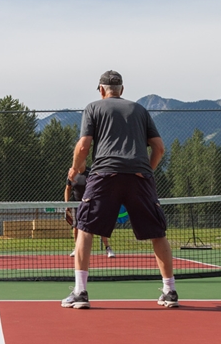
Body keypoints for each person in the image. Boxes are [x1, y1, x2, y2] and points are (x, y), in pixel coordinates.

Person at [63, 70, 177, 309]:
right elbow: (159, 148)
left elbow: (83, 145)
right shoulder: (140, 110)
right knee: (158, 233)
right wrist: (146, 171)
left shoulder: (93, 108)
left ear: (101, 89)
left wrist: (75, 169)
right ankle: (169, 291)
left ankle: (81, 292)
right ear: (122, 90)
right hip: (139, 176)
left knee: (85, 229)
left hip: (104, 175)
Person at [65, 172, 114, 258]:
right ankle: (77, 248)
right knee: (76, 226)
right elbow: (68, 188)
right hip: (76, 204)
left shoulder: (90, 173)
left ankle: (108, 248)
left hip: (91, 203)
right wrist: (66, 204)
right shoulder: (72, 174)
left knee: (100, 225)